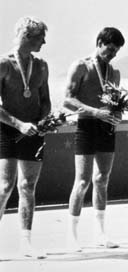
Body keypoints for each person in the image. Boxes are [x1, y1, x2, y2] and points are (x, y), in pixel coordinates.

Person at [63, 27, 125, 251]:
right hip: (86, 126)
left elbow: (115, 103)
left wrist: (117, 115)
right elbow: (68, 100)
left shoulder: (114, 72)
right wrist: (95, 111)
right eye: (109, 49)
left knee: (102, 179)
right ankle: (72, 235)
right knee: (82, 181)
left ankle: (100, 233)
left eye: (116, 52)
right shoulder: (80, 66)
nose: (112, 55)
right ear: (99, 42)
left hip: (106, 128)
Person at [0, 16, 50, 259]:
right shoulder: (3, 64)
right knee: (5, 186)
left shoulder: (41, 65)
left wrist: (42, 122)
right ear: (27, 37)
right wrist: (18, 124)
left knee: (27, 186)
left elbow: (46, 100)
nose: (44, 42)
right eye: (41, 37)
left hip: (33, 131)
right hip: (8, 129)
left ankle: (25, 243)